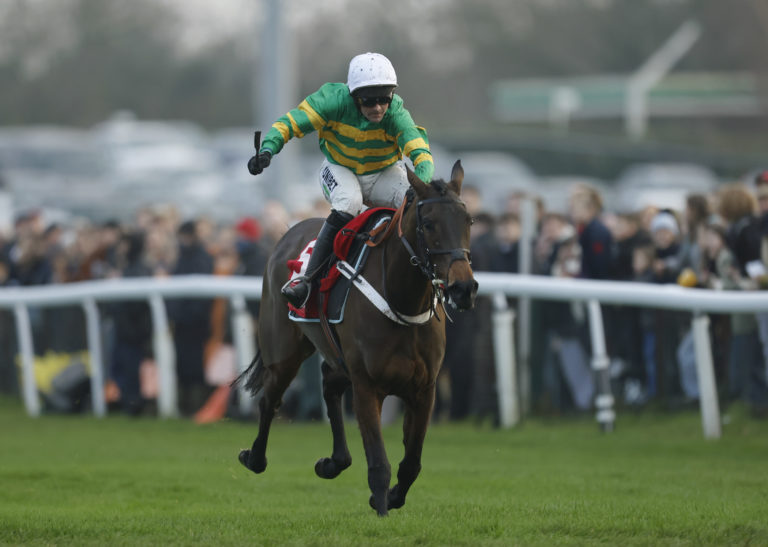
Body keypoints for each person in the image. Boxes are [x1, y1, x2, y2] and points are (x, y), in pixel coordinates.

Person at [247, 52, 434, 308]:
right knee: (349, 202)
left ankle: (432, 278)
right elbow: (289, 124)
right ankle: (307, 279)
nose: (378, 108)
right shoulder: (331, 101)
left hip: (383, 172)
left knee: (417, 205)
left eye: (384, 98)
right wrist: (268, 150)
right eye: (369, 100)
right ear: (354, 96)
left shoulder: (396, 113)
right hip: (339, 168)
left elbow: (421, 154)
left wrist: (420, 184)